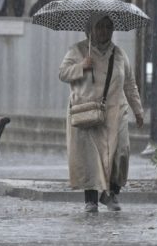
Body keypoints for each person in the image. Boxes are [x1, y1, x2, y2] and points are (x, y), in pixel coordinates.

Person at [58, 14, 144, 213]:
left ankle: (112, 193)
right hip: (87, 111)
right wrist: (81, 67)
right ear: (91, 29)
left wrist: (138, 110)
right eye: (100, 27)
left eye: (108, 27)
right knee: (90, 157)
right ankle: (91, 199)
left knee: (120, 153)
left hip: (116, 112)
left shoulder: (120, 54)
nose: (104, 31)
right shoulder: (78, 50)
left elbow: (130, 84)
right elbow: (62, 73)